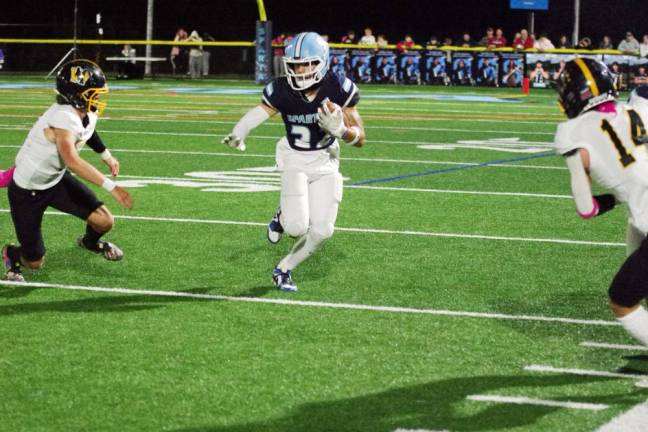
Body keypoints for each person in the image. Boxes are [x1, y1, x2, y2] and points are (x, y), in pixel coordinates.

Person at [221, 32, 365, 292]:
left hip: (326, 161)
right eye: (295, 65)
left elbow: (361, 138)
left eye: (306, 64)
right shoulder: (282, 89)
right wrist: (239, 132)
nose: (299, 70)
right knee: (297, 227)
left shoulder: (339, 87)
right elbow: (260, 112)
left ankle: (284, 269)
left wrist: (342, 132)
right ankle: (282, 215)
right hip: (294, 158)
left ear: (321, 62)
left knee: (322, 230)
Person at [553, 59, 648, 387]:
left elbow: (586, 208)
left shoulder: (570, 133)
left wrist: (617, 196)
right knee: (636, 232)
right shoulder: (638, 109)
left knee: (621, 299)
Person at [2, 59, 133, 282]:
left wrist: (106, 156)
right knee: (35, 262)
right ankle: (11, 254)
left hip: (55, 180)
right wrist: (112, 187)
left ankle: (89, 242)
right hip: (28, 191)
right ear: (76, 93)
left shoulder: (85, 112)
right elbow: (72, 160)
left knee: (104, 221)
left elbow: (88, 131)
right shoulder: (63, 116)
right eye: (94, 92)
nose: (98, 98)